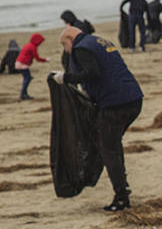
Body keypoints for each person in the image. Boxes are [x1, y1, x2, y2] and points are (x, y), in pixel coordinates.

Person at [52, 27, 144, 212]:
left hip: (115, 104)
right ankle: (122, 188)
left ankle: (121, 198)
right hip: (133, 99)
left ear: (70, 39)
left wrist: (66, 78)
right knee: (112, 146)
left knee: (108, 149)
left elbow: (92, 72)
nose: (66, 50)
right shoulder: (98, 42)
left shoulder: (81, 48)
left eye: (64, 45)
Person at [15, 33, 46, 100]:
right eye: (40, 42)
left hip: (18, 63)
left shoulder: (28, 45)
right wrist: (45, 60)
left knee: (27, 78)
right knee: (27, 79)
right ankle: (23, 94)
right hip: (23, 65)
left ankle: (24, 94)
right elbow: (37, 58)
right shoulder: (33, 47)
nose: (40, 43)